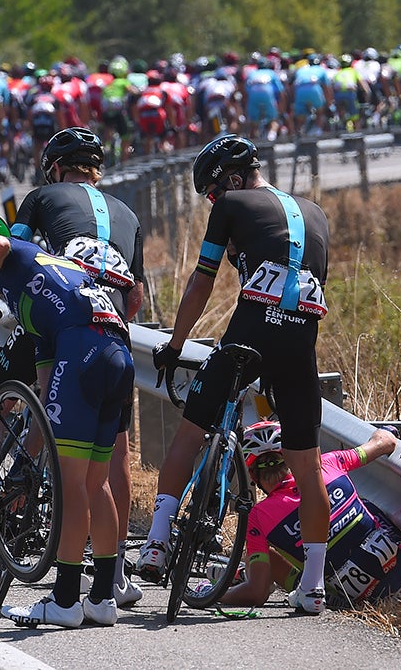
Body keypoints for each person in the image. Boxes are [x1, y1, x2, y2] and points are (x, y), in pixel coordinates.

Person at [137, 134, 333, 614]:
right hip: (299, 345)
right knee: (307, 468)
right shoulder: (317, 214)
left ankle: (158, 541)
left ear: (230, 178)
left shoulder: (231, 204)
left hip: (250, 334)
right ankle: (312, 585)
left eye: (211, 191)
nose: (212, 200)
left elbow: (202, 279)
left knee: (192, 429)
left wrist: (176, 344)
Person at [0, 213, 134, 628]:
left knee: (70, 484)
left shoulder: (10, 255)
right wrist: (27, 461)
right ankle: (102, 598)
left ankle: (65, 600)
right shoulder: (44, 279)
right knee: (94, 482)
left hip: (83, 348)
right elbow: (47, 391)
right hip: (117, 352)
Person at [8, 127, 146, 608]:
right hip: (115, 333)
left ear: (55, 167)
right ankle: (116, 573)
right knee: (113, 461)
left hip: (64, 319)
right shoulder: (128, 212)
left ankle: (36, 531)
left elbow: (14, 255)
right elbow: (136, 296)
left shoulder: (42, 196)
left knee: (57, 443)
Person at [199, 422, 401, 611]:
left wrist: (216, 594)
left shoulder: (258, 516)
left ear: (252, 476)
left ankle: (251, 573)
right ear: (291, 457)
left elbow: (256, 595)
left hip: (357, 601)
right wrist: (386, 431)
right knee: (365, 509)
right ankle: (246, 572)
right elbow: (385, 443)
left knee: (266, 555)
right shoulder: (329, 462)